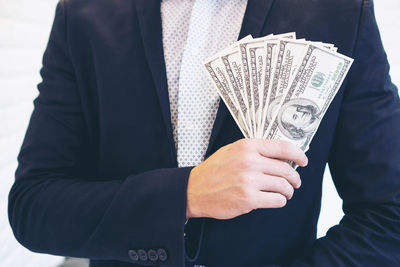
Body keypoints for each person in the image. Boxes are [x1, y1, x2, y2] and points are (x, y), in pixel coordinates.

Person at [8, 0, 400, 267]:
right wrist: (186, 194)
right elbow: (33, 208)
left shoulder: (341, 11)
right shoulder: (82, 14)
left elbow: (389, 214)